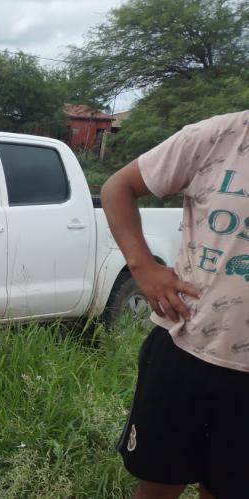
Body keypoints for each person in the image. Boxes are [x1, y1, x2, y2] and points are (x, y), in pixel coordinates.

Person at [101, 110, 249, 499]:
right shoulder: (218, 136)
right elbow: (117, 188)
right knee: (159, 486)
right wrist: (143, 267)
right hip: (187, 346)